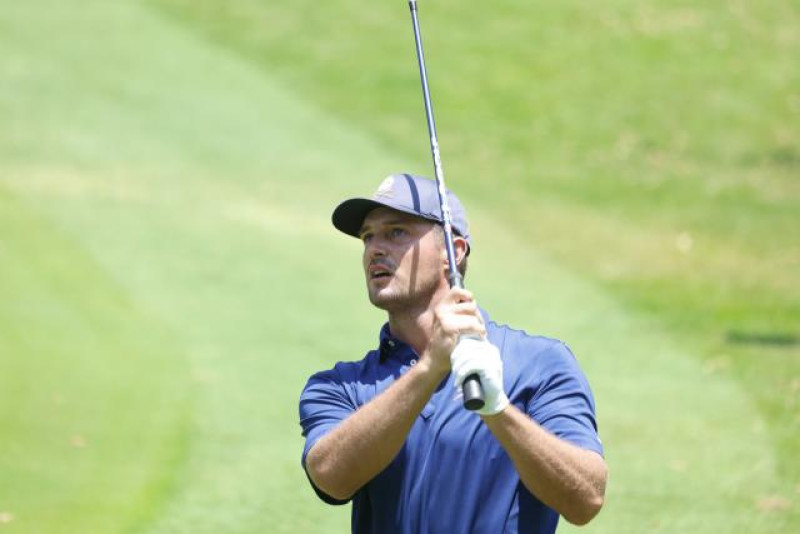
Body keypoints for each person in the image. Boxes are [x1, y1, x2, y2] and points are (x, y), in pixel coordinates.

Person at [299, 173, 607, 533]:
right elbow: (331, 478)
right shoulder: (341, 386)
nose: (375, 249)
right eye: (368, 236)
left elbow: (586, 499)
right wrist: (430, 367)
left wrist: (499, 411)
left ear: (453, 251)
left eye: (396, 232)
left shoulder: (539, 364)